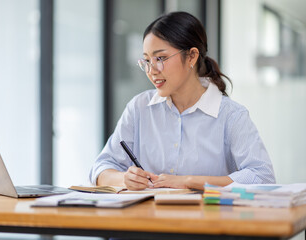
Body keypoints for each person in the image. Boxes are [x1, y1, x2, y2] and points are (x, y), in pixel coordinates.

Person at [89, 11, 275, 190]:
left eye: (160, 58)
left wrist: (188, 181)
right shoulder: (139, 108)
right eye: (146, 61)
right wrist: (125, 179)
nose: (152, 70)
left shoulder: (231, 115)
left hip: (208, 220)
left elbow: (262, 177)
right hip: (148, 219)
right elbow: (100, 169)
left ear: (192, 56)